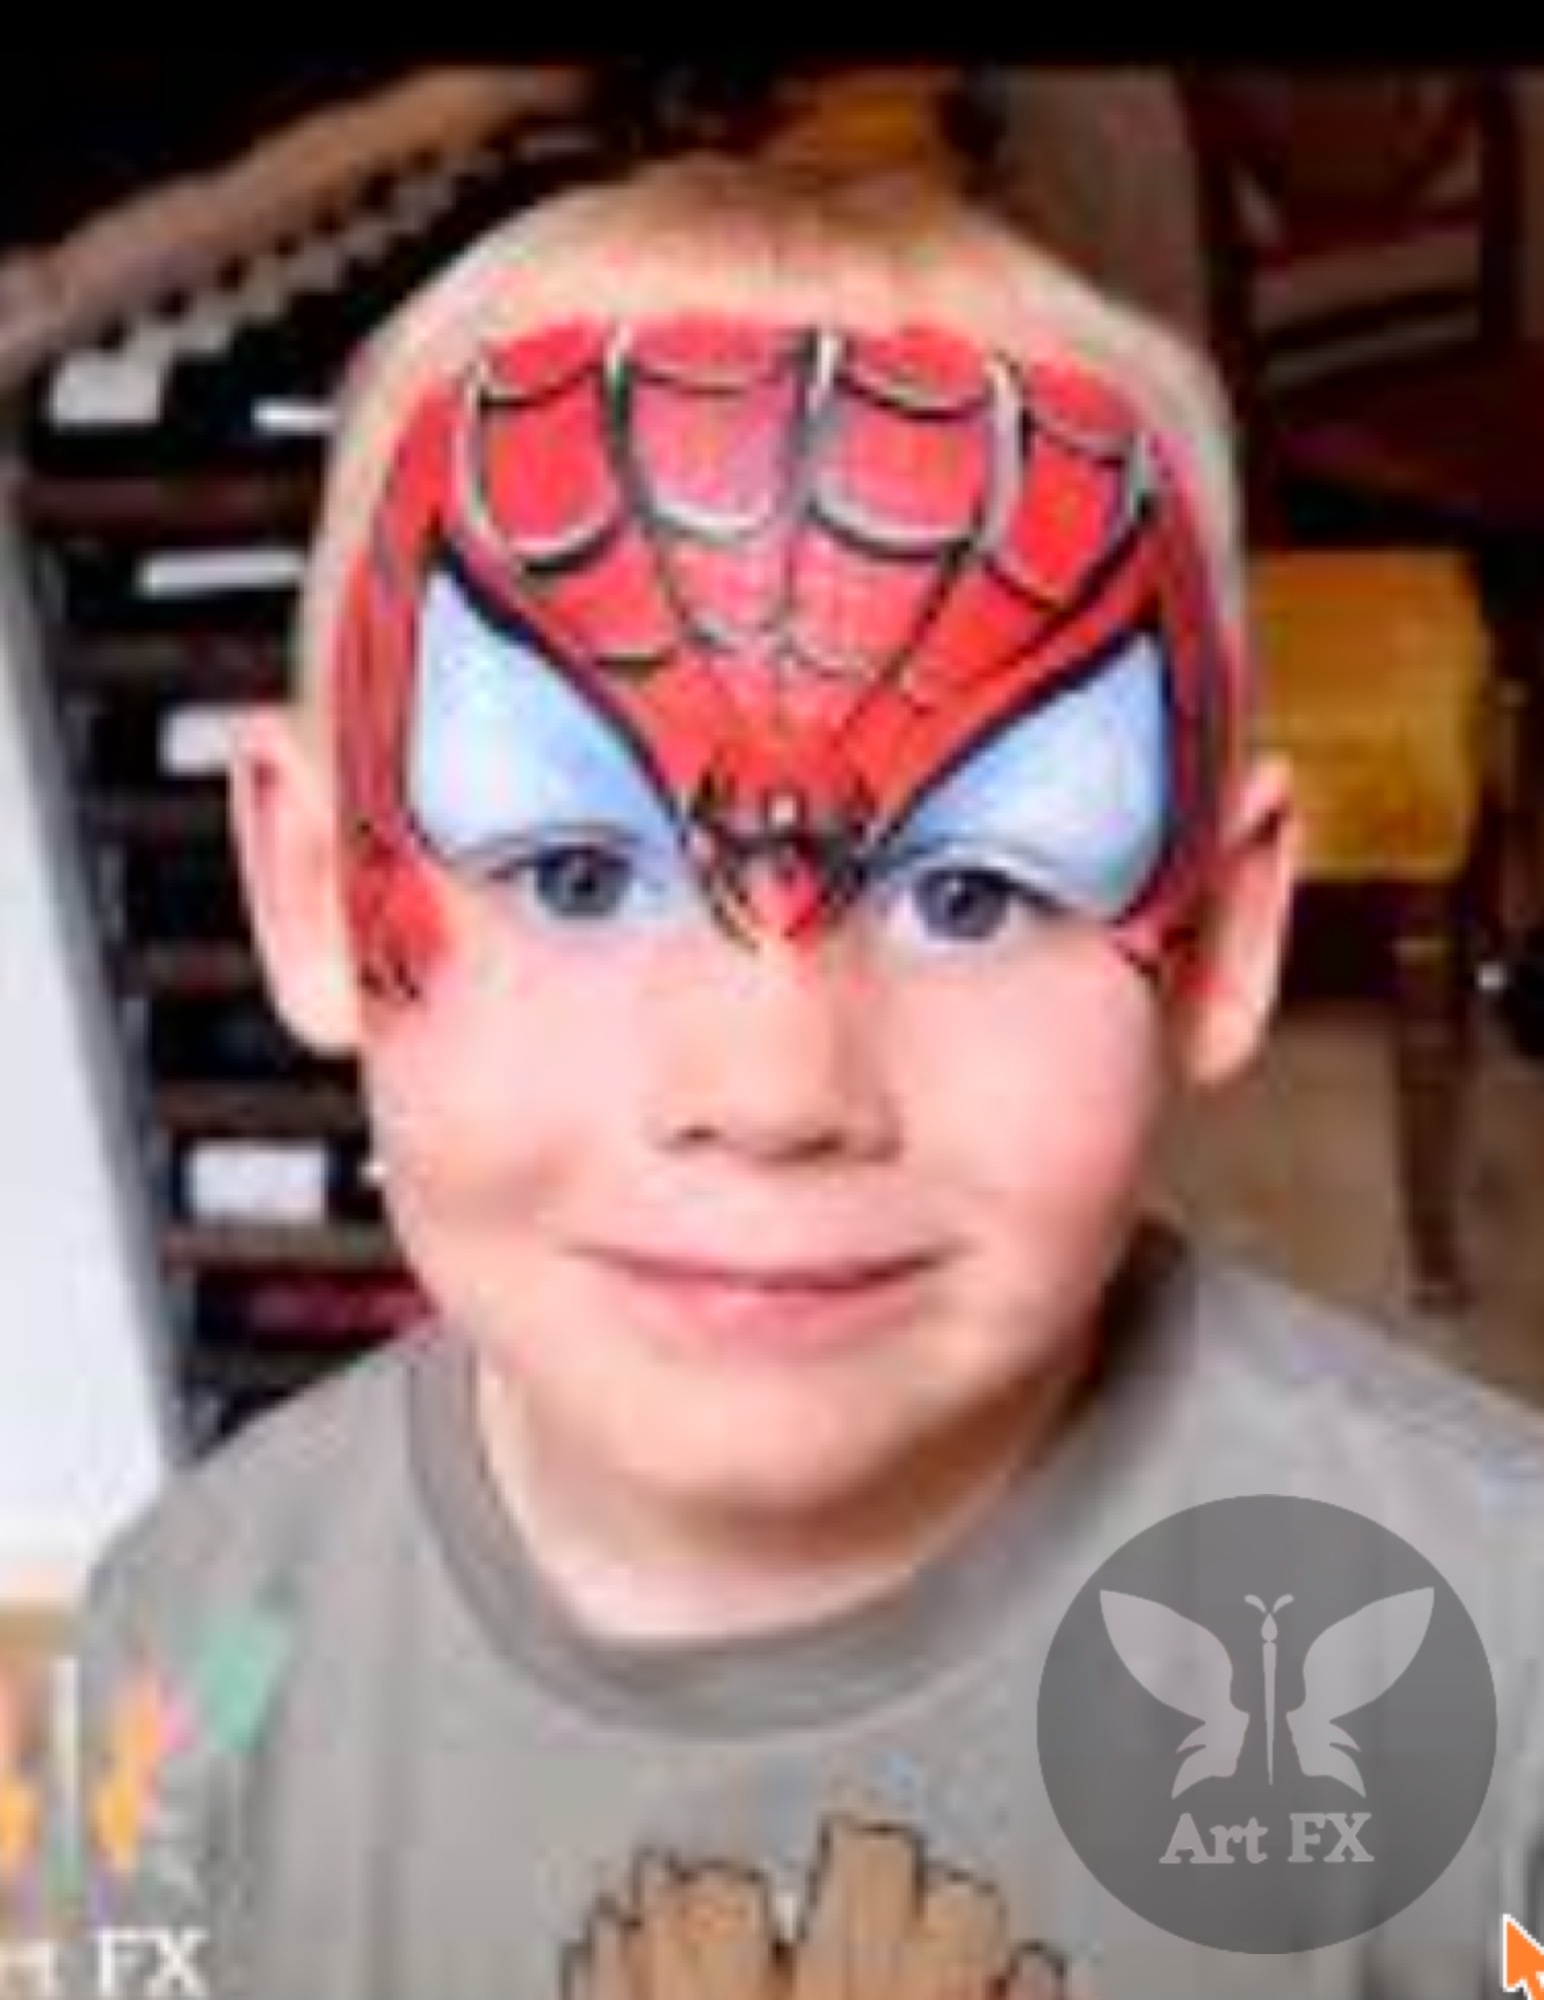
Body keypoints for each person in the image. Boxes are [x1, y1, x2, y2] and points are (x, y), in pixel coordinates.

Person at [52, 153, 1544, 1999]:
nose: (771, 1087)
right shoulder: (189, 1662)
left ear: (1225, 935)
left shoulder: (1490, 1656)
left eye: (976, 891)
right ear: (298, 888)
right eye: (574, 875)